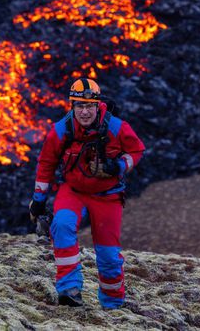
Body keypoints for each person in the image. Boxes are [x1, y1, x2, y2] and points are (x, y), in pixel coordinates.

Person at [29, 78, 145, 309]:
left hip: (108, 195)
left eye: (89, 106)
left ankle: (113, 304)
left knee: (109, 256)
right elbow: (46, 165)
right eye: (79, 106)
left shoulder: (116, 127)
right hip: (73, 191)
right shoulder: (61, 130)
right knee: (61, 225)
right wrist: (38, 201)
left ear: (97, 105)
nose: (84, 111)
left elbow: (136, 150)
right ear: (72, 106)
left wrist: (118, 166)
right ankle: (69, 290)